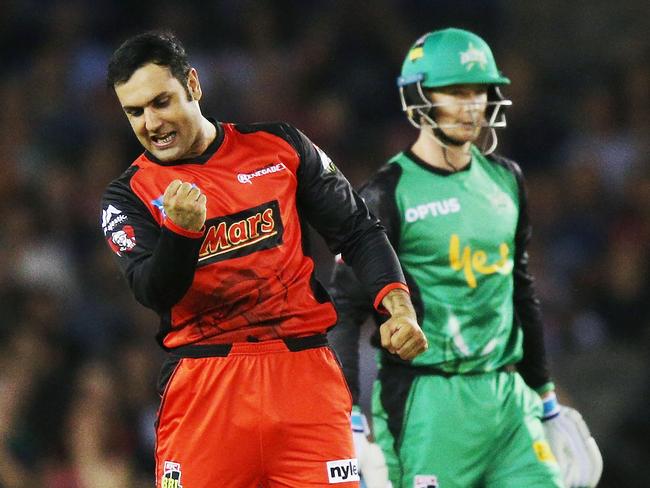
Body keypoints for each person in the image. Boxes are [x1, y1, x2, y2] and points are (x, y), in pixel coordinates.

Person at [99, 31, 427, 488]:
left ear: (193, 85)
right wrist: (180, 232)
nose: (151, 123)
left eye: (161, 102)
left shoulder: (281, 147)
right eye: (134, 112)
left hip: (304, 379)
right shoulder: (128, 196)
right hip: (206, 389)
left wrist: (398, 306)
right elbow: (152, 290)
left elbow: (356, 229)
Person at [329, 27, 566, 488]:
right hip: (427, 401)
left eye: (480, 92)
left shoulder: (508, 180)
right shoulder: (385, 194)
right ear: (419, 96)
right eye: (456, 92)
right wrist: (350, 419)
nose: (472, 105)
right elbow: (344, 308)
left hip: (507, 398)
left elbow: (521, 290)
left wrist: (546, 397)